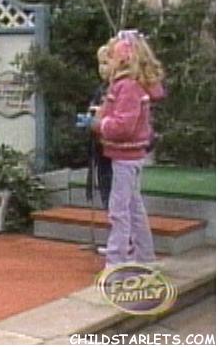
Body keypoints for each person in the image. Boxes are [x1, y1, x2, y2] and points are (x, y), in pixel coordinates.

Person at [91, 30, 165, 268]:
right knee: (133, 208)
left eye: (111, 58)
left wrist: (100, 124)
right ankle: (145, 258)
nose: (107, 64)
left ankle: (116, 263)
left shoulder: (127, 87)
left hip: (125, 156)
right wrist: (103, 114)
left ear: (122, 60)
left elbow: (123, 126)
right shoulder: (131, 86)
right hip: (129, 156)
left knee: (119, 211)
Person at [86, 45, 113, 211]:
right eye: (99, 64)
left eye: (105, 63)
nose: (102, 68)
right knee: (105, 189)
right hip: (101, 148)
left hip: (115, 150)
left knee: (114, 195)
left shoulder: (119, 89)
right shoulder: (101, 88)